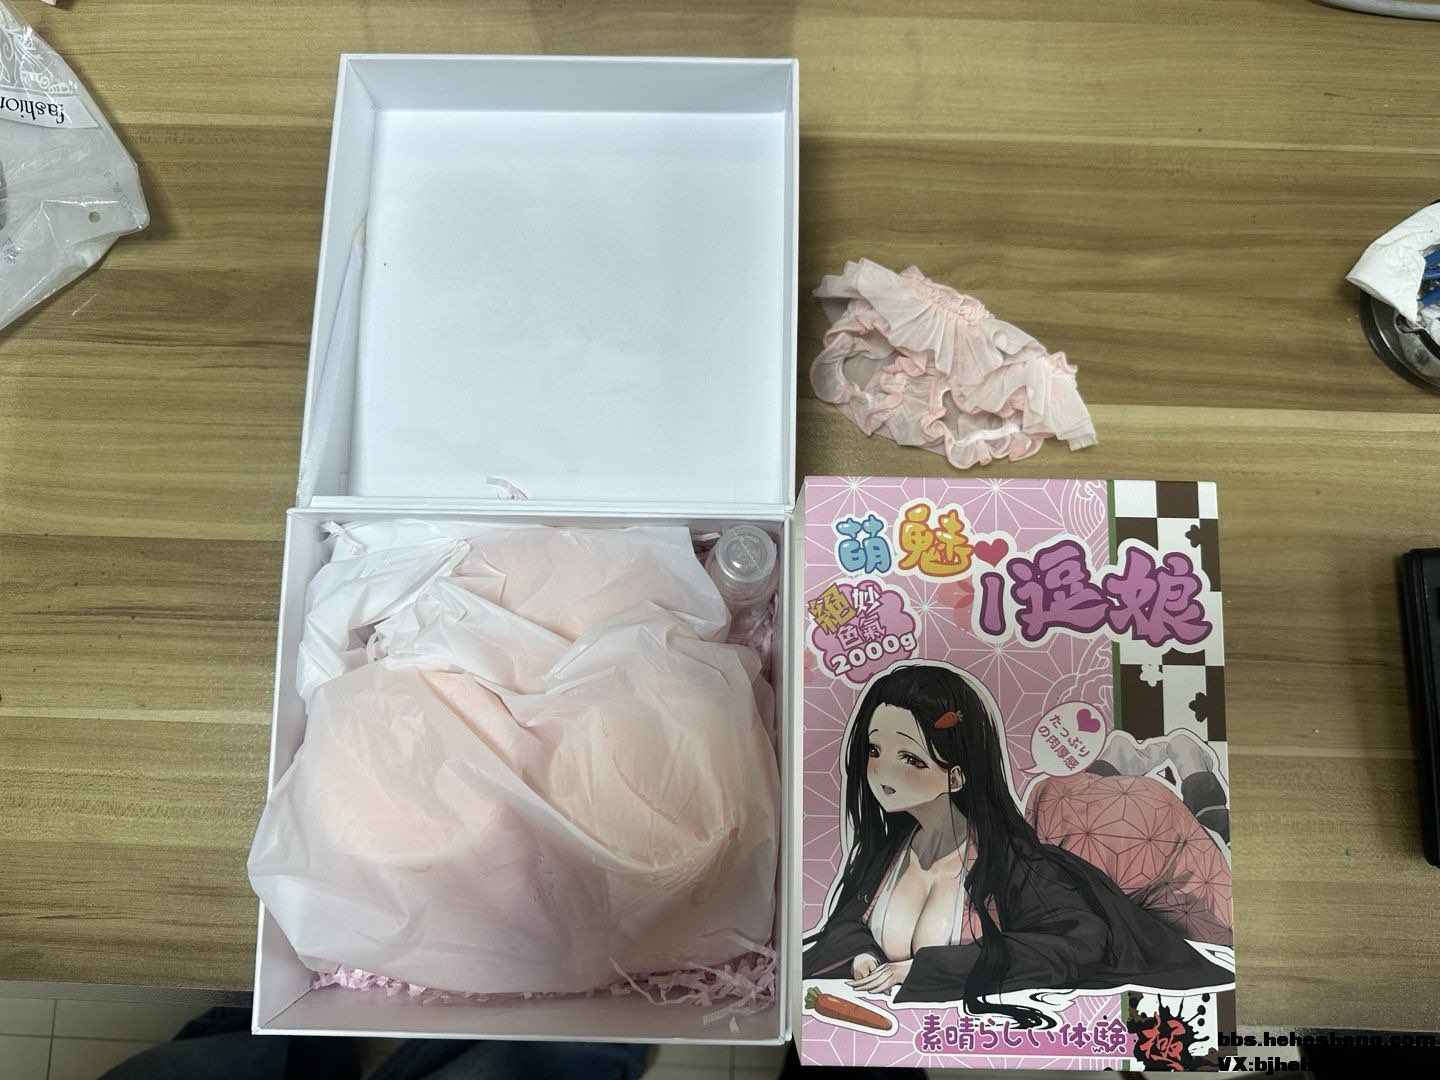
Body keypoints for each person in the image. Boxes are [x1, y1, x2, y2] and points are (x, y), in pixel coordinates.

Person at [801, 663, 1233, 1028]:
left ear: (957, 776)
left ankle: (1193, 774)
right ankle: (1111, 761)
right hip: (1074, 825)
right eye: (874, 750)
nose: (881, 772)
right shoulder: (887, 854)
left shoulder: (1013, 863)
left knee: (1199, 848)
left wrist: (922, 969)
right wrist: (861, 952)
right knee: (1071, 803)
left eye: (910, 759)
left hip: (1136, 842)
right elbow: (847, 920)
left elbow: (1076, 943)